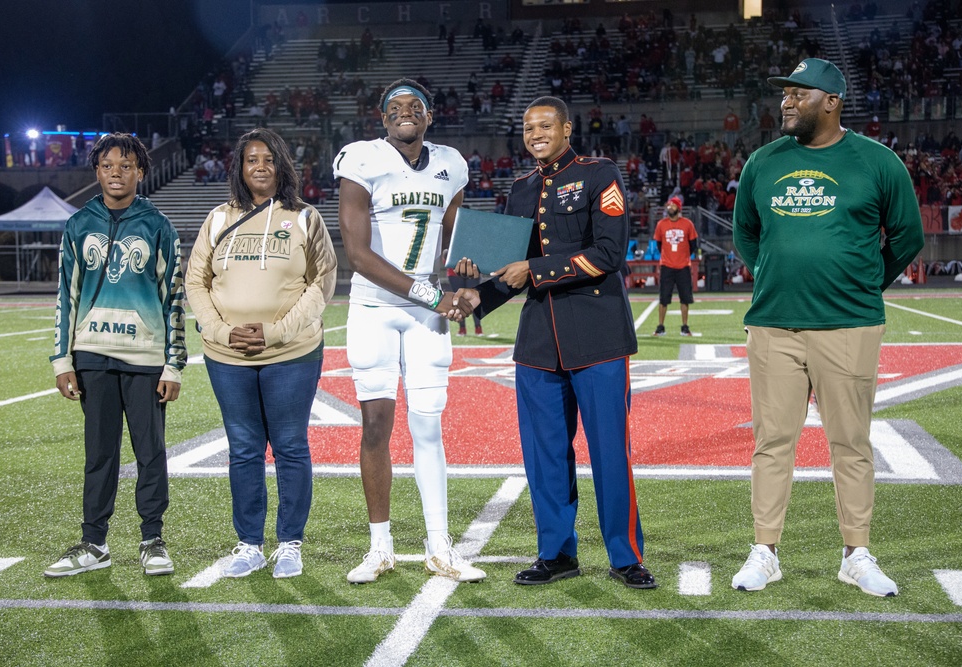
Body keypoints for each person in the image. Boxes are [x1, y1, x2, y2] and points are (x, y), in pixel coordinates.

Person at [731, 58, 924, 596]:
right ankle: (765, 551)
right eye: (784, 94)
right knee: (772, 442)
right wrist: (775, 273)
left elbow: (907, 237)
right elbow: (747, 236)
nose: (786, 102)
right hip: (773, 323)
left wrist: (862, 287)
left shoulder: (877, 162)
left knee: (851, 444)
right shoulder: (763, 163)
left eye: (799, 93)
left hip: (849, 324)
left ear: (832, 101)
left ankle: (856, 554)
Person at [452, 96, 656, 589]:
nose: (535, 133)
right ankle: (557, 553)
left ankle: (626, 556)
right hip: (540, 342)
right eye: (528, 127)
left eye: (545, 125)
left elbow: (609, 253)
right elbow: (509, 272)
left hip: (599, 335)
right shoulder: (520, 189)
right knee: (544, 455)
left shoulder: (599, 173)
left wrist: (536, 269)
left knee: (610, 452)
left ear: (567, 128)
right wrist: (473, 297)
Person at [333, 78, 486, 584]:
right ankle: (380, 547)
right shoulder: (361, 159)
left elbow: (457, 245)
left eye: (414, 106)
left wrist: (466, 288)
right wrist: (432, 294)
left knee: (428, 426)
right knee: (376, 426)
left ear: (429, 116)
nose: (405, 112)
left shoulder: (452, 164)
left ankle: (439, 546)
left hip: (426, 316)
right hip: (375, 308)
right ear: (382, 119)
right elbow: (356, 255)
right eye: (395, 107)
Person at [185, 128, 337, 579]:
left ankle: (290, 542)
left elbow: (322, 282)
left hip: (292, 353)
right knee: (244, 450)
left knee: (290, 447)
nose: (260, 166)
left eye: (268, 159)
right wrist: (221, 331)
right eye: (251, 159)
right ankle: (249, 543)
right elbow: (196, 281)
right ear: (240, 168)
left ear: (282, 165)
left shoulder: (306, 217)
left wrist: (274, 332)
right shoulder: (217, 219)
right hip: (226, 355)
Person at [46, 133, 186, 577]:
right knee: (100, 453)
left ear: (140, 172)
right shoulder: (78, 224)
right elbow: (66, 296)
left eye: (126, 166)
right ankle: (94, 543)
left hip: (145, 357)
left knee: (150, 452)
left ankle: (152, 539)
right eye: (107, 166)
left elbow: (174, 298)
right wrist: (62, 360)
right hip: (92, 356)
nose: (116, 174)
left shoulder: (158, 225)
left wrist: (174, 364)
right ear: (97, 172)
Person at [652, 195, 698, 337]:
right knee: (663, 298)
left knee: (685, 298)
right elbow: (659, 244)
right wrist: (668, 256)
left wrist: (683, 256)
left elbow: (693, 245)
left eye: (672, 205)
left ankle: (684, 326)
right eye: (668, 205)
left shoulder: (688, 224)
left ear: (678, 207)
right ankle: (661, 327)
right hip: (667, 266)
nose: (669, 207)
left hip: (683, 266)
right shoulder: (661, 224)